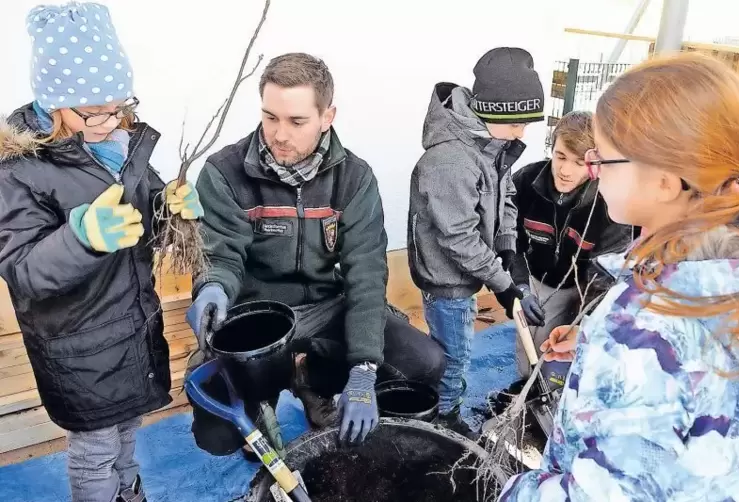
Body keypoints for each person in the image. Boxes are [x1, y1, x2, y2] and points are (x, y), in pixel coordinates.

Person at [499, 53, 739, 501]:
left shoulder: (645, 329)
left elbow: (604, 493)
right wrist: (595, 337)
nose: (591, 170)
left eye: (604, 160)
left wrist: (516, 493)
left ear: (666, 181)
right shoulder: (728, 274)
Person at [185, 52, 445, 453]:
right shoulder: (224, 173)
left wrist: (362, 371)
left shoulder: (354, 179)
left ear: (327, 116)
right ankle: (261, 401)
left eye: (296, 121)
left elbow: (365, 274)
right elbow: (221, 257)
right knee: (218, 435)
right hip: (256, 314)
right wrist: (213, 287)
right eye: (270, 117)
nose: (279, 134)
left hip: (326, 305)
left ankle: (314, 381)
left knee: (424, 362)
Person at [0, 4, 203, 502]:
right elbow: (22, 271)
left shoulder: (121, 144)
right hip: (78, 347)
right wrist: (82, 238)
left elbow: (144, 223)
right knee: (94, 449)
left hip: (132, 327)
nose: (110, 120)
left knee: (128, 431)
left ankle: (127, 491)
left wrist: (171, 210)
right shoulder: (19, 169)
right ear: (54, 103)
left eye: (119, 107)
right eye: (93, 112)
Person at [408, 47, 545, 439]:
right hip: (447, 277)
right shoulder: (450, 160)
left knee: (459, 348)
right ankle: (445, 422)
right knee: (454, 356)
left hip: (470, 270)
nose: (522, 133)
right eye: (518, 123)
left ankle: (445, 409)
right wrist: (503, 283)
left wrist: (507, 248)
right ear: (494, 111)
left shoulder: (489, 142)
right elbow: (458, 236)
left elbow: (505, 195)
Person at [501, 110, 634, 380]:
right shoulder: (525, 182)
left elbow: (609, 274)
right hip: (537, 278)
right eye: (560, 157)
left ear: (594, 163)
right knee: (530, 343)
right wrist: (521, 287)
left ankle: (555, 396)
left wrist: (586, 319)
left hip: (588, 287)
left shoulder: (610, 202)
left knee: (565, 356)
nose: (564, 170)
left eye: (577, 162)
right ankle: (527, 390)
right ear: (552, 147)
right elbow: (507, 240)